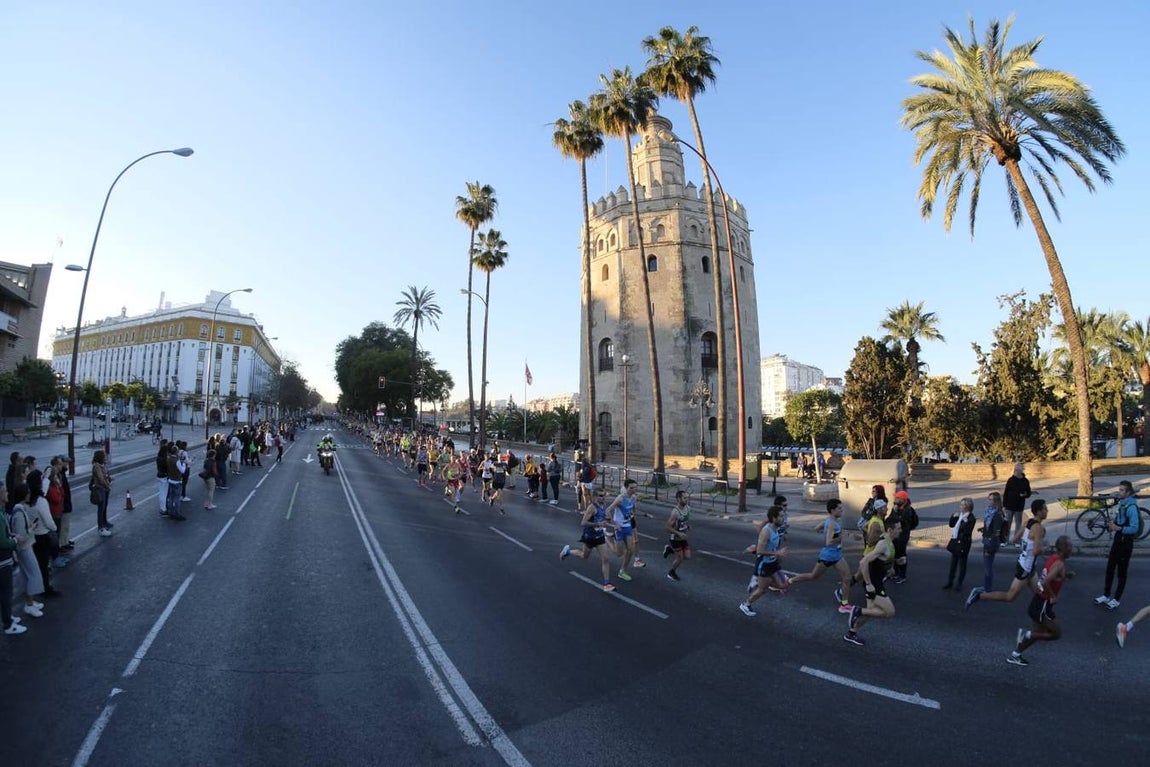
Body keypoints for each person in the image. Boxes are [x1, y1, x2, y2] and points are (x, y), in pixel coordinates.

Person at [967, 498, 1048, 608]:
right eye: (1045, 509)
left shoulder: (1027, 522)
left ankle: (1040, 619)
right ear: (1038, 512)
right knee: (1009, 597)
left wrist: (1027, 544)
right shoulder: (1038, 528)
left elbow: (1015, 539)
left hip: (1027, 565)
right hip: (1026, 567)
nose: (1047, 511)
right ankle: (980, 595)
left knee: (1040, 596)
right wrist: (1045, 547)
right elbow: (1036, 551)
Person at [1008, 535, 1074, 666]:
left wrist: (1066, 575)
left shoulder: (1055, 558)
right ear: (1064, 549)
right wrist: (1052, 596)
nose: (1072, 549)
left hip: (1038, 602)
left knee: (1037, 634)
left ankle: (1015, 655)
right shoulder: (1059, 563)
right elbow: (1045, 581)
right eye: (1070, 547)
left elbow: (1053, 575)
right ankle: (1025, 634)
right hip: (1043, 604)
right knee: (1056, 633)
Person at [787, 499, 853, 613]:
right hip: (827, 556)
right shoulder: (832, 523)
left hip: (836, 555)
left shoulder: (830, 520)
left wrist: (825, 531)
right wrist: (841, 537)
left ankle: (844, 604)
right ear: (832, 510)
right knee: (813, 576)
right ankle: (789, 581)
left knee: (847, 578)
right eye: (839, 508)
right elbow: (828, 542)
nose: (842, 510)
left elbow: (816, 528)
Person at [844, 517, 900, 647]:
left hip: (877, 582)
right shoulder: (883, 544)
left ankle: (851, 633)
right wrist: (869, 584)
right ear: (890, 530)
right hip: (874, 585)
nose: (900, 530)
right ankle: (857, 611)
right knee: (890, 612)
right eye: (898, 528)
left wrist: (892, 567)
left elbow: (883, 561)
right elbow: (863, 562)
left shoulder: (889, 541)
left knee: (871, 611)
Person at [1093, 480, 1139, 611]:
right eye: (1119, 489)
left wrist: (1118, 528)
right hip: (1118, 541)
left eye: (1122, 490)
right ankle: (1106, 595)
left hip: (1126, 543)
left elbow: (1134, 528)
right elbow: (1119, 522)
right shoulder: (1122, 505)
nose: (1119, 492)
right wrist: (1113, 525)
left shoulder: (1132, 508)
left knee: (1121, 573)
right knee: (1110, 568)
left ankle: (1116, 599)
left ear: (1128, 492)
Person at [560, 488, 617, 592]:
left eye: (604, 495)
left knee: (606, 559)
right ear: (595, 497)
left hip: (599, 536)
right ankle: (567, 551)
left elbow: (602, 520)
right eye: (600, 495)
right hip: (589, 537)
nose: (603, 497)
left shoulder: (603, 506)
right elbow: (583, 522)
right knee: (584, 556)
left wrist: (611, 523)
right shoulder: (592, 508)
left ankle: (607, 583)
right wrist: (597, 524)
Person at [739, 505, 789, 617]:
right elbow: (760, 551)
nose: (783, 518)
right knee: (762, 590)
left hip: (773, 562)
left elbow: (772, 546)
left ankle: (759, 581)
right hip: (765, 564)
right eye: (781, 516)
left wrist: (778, 555)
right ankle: (745, 604)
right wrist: (777, 553)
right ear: (774, 518)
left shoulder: (776, 530)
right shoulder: (766, 531)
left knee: (781, 586)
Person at [9, 486, 46, 619]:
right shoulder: (19, 513)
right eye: (28, 492)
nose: (30, 494)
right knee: (33, 574)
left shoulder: (19, 509)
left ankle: (30, 601)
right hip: (25, 548)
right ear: (24, 495)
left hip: (25, 547)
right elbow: (21, 536)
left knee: (28, 574)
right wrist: (32, 529)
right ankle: (29, 605)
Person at [1, 481, 27, 634]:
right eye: (4, 491)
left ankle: (8, 616)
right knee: (6, 592)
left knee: (6, 591)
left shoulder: (2, 512)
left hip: (4, 559)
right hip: (3, 560)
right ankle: (8, 624)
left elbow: (4, 534)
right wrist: (16, 540)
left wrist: (11, 534)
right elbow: (2, 542)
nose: (7, 493)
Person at [606, 479, 640, 581]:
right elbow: (608, 511)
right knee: (618, 554)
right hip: (619, 528)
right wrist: (615, 524)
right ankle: (607, 538)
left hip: (627, 526)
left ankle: (622, 571)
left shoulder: (633, 498)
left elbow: (633, 511)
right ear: (626, 488)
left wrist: (643, 514)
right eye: (631, 488)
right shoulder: (620, 499)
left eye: (635, 487)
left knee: (631, 550)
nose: (633, 490)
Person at [942, 497, 976, 591]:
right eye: (960, 504)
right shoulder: (959, 515)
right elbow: (951, 525)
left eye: (962, 505)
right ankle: (950, 581)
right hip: (956, 541)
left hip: (964, 543)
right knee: (953, 563)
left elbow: (967, 531)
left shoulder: (971, 518)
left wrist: (965, 522)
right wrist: (953, 516)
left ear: (967, 507)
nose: (960, 506)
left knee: (962, 564)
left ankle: (959, 583)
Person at [886, 490, 917, 583]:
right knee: (895, 554)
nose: (895, 499)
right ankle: (896, 572)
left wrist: (895, 513)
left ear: (902, 500)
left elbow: (900, 521)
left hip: (902, 537)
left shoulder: (907, 511)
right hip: (896, 535)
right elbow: (890, 520)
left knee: (901, 555)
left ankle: (902, 575)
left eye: (897, 498)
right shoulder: (897, 508)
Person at [979, 491, 1007, 591]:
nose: (990, 501)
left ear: (997, 501)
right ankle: (987, 586)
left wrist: (990, 549)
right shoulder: (989, 511)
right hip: (987, 540)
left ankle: (987, 588)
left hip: (991, 543)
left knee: (988, 567)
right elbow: (990, 526)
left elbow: (996, 533)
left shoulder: (997, 515)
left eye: (992, 500)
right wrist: (984, 528)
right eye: (989, 499)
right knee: (987, 566)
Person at [1001, 462, 1033, 546]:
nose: (1015, 471)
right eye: (1015, 469)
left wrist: (1024, 494)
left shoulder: (1025, 481)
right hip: (1009, 505)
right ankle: (1005, 540)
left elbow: (1029, 493)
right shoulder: (1011, 480)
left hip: (1019, 505)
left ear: (1020, 470)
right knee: (1007, 523)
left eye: (1017, 469)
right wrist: (1004, 505)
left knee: (1018, 523)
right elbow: (1006, 493)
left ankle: (1017, 540)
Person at [663, 490, 691, 581]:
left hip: (682, 537)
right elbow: (667, 527)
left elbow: (684, 522)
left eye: (687, 498)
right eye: (684, 498)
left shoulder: (688, 508)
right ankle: (671, 572)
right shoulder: (675, 512)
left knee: (687, 556)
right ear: (678, 499)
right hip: (675, 538)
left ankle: (669, 550)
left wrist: (687, 526)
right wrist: (678, 533)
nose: (686, 500)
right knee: (680, 558)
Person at [91, 449, 114, 535]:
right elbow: (101, 479)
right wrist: (107, 485)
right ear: (100, 457)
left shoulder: (102, 465)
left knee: (104, 507)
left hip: (105, 489)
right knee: (101, 509)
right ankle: (101, 528)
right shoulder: (97, 466)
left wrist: (110, 479)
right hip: (101, 489)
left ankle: (104, 522)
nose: (105, 457)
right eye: (104, 456)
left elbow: (105, 475)